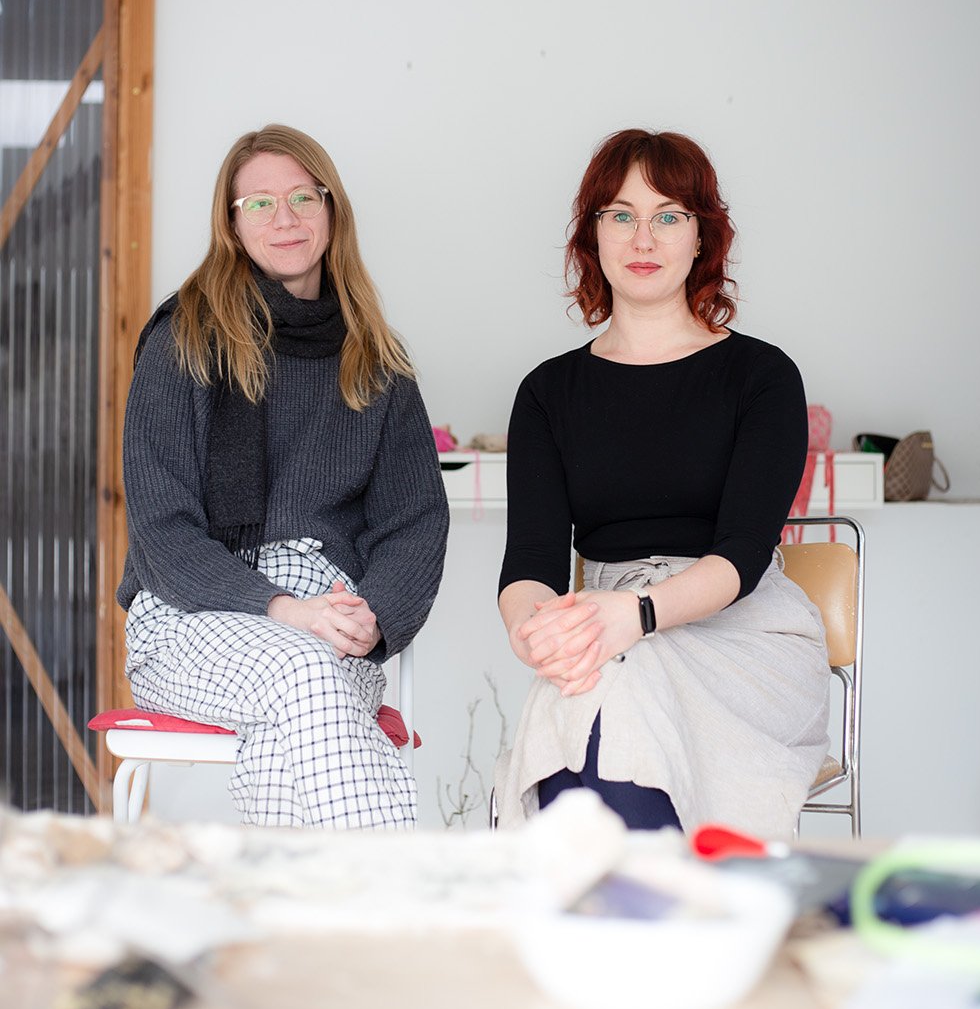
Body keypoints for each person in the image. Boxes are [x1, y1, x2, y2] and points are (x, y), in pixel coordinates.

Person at [495, 129, 829, 837]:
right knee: (590, 689)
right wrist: (536, 632)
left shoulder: (763, 378)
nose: (642, 237)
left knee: (613, 691)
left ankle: (623, 894)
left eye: (669, 215)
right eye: (620, 214)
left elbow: (742, 555)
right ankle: (651, 897)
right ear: (592, 233)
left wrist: (636, 616)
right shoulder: (547, 393)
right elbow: (531, 561)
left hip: (743, 636)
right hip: (606, 629)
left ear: (702, 235)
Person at [118, 124, 448, 829]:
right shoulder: (181, 342)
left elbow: (415, 520)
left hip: (334, 622)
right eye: (260, 203)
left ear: (332, 209)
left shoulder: (377, 361)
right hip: (187, 620)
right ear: (232, 224)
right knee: (302, 672)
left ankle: (285, 903)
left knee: (287, 740)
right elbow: (161, 531)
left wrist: (373, 616)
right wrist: (284, 611)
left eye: (303, 196)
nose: (285, 218)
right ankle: (396, 889)